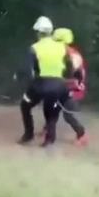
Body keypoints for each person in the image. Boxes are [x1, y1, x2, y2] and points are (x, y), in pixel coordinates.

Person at [18, 16, 75, 147]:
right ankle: (50, 139)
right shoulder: (62, 47)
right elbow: (71, 67)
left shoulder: (34, 48)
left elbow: (29, 70)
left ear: (38, 32)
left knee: (25, 105)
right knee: (51, 111)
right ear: (50, 31)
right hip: (60, 85)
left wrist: (28, 83)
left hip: (41, 84)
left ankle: (28, 134)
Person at [49, 27, 88, 146]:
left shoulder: (68, 55)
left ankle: (82, 134)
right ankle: (48, 130)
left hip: (72, 88)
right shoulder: (71, 52)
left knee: (67, 114)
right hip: (67, 86)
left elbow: (76, 75)